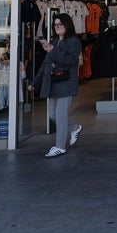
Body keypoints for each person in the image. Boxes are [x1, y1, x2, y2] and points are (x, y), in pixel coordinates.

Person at [30, 12, 83, 157]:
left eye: (60, 24)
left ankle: (60, 146)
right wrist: (35, 82)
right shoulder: (54, 41)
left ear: (67, 25)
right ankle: (75, 128)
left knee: (60, 116)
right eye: (55, 25)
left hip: (65, 83)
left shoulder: (74, 42)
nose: (57, 27)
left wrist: (53, 51)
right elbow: (46, 64)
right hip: (53, 83)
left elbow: (70, 61)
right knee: (53, 115)